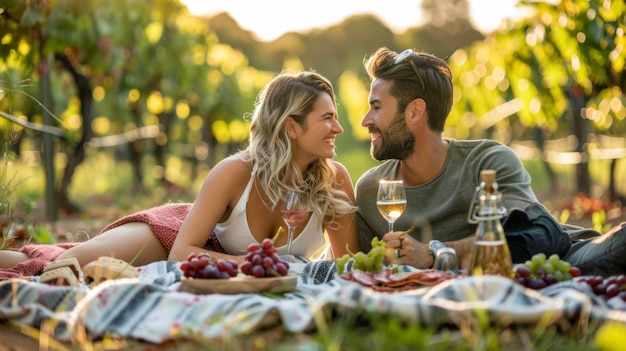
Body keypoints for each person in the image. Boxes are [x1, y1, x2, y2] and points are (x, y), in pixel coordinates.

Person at [0, 70, 359, 280]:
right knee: (59, 265)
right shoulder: (236, 172)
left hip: (212, 266)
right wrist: (255, 267)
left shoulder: (335, 180)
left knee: (58, 259)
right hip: (173, 234)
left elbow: (348, 267)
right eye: (327, 118)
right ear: (292, 127)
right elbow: (181, 252)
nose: (339, 128)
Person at [355, 47, 625, 276]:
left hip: (563, 259)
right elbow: (358, 269)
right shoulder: (372, 190)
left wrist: (434, 253)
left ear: (415, 111)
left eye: (376, 107)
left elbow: (535, 238)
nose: (365, 121)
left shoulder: (487, 162)